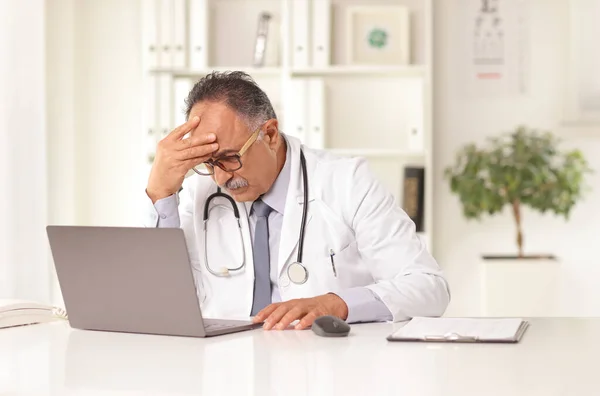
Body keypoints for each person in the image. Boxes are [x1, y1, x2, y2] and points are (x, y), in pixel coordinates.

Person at [142, 71, 450, 330]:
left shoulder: (345, 181)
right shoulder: (198, 194)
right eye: (208, 163)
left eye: (230, 158)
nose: (220, 178)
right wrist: (160, 194)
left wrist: (338, 303)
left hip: (328, 368)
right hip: (226, 370)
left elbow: (428, 288)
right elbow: (159, 304)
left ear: (271, 134)